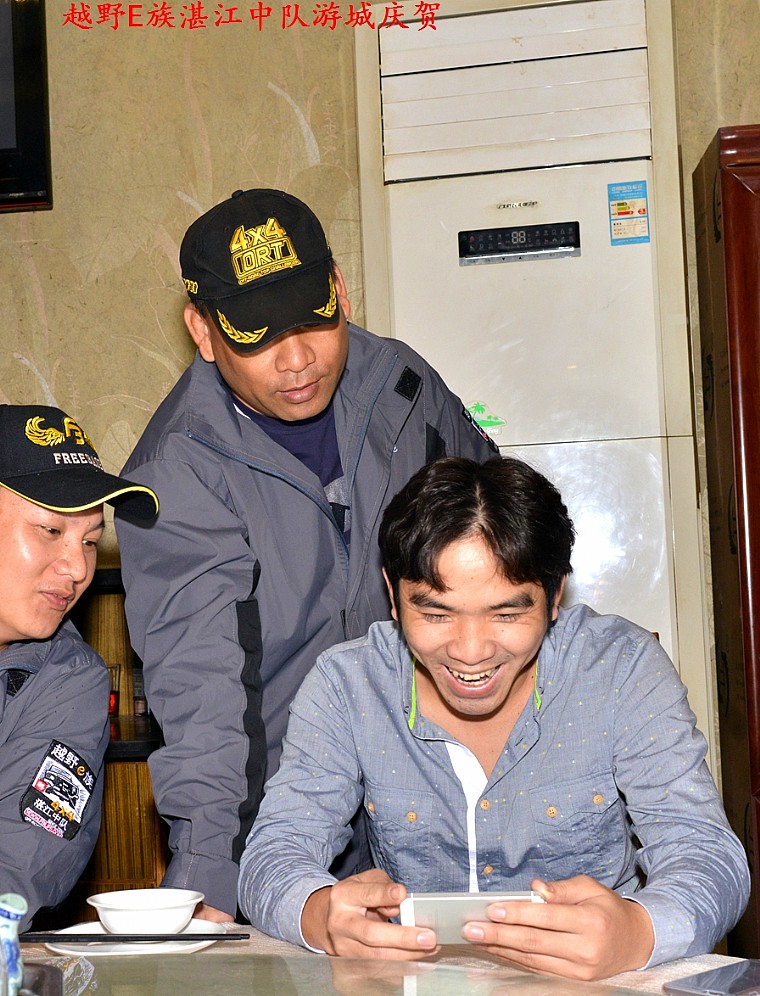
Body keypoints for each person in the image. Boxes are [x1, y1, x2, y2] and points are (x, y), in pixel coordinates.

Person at [114, 188, 497, 922]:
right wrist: (210, 875)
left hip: (441, 789)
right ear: (202, 332)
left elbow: (505, 540)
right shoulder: (177, 473)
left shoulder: (401, 385)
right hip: (287, 820)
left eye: (313, 319)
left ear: (339, 289)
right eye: (256, 335)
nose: (296, 360)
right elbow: (202, 692)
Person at [238, 456, 750, 981]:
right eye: (435, 614)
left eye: (506, 614)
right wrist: (319, 915)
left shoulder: (621, 667)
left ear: (555, 595)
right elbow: (275, 852)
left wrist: (638, 932)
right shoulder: (347, 684)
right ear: (393, 595)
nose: (471, 651)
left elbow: (706, 853)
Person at [0, 404, 158, 930]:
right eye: (50, 530)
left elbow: (18, 866)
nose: (76, 568)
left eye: (90, 541)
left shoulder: (68, 680)